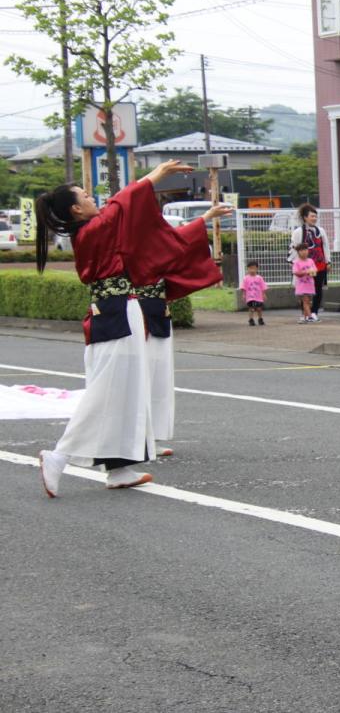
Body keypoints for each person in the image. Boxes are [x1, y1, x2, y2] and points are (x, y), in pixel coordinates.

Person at [33, 160, 226, 498]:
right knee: (108, 390)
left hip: (120, 310)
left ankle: (119, 469)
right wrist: (156, 175)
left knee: (125, 391)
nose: (93, 197)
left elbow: (139, 226)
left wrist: (199, 217)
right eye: (85, 195)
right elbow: (123, 203)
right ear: (77, 209)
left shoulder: (95, 231)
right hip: (116, 314)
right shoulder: (92, 230)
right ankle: (58, 455)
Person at [290, 204, 329, 320]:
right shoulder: (298, 232)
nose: (314, 218)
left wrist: (328, 261)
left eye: (315, 216)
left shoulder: (321, 231)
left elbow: (325, 246)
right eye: (312, 216)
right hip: (304, 268)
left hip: (319, 265)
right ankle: (305, 313)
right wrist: (296, 264)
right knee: (303, 290)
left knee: (317, 289)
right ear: (305, 217)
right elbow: (293, 248)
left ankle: (315, 312)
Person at [293, 244, 317, 322]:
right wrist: (306, 271)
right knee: (306, 301)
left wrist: (313, 271)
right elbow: (296, 273)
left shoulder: (310, 261)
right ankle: (310, 317)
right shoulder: (297, 262)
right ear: (298, 252)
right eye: (302, 250)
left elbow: (315, 270)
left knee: (309, 302)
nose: (304, 252)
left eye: (306, 250)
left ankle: (305, 317)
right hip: (302, 286)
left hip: (310, 285)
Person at [241, 261, 267, 326]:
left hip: (258, 297)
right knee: (251, 308)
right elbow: (243, 287)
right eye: (250, 268)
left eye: (254, 268)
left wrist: (264, 294)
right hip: (250, 297)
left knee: (259, 308)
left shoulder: (259, 278)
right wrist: (244, 294)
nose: (252, 270)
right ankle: (251, 319)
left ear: (257, 269)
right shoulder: (246, 278)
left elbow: (263, 286)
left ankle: (260, 318)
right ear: (247, 269)